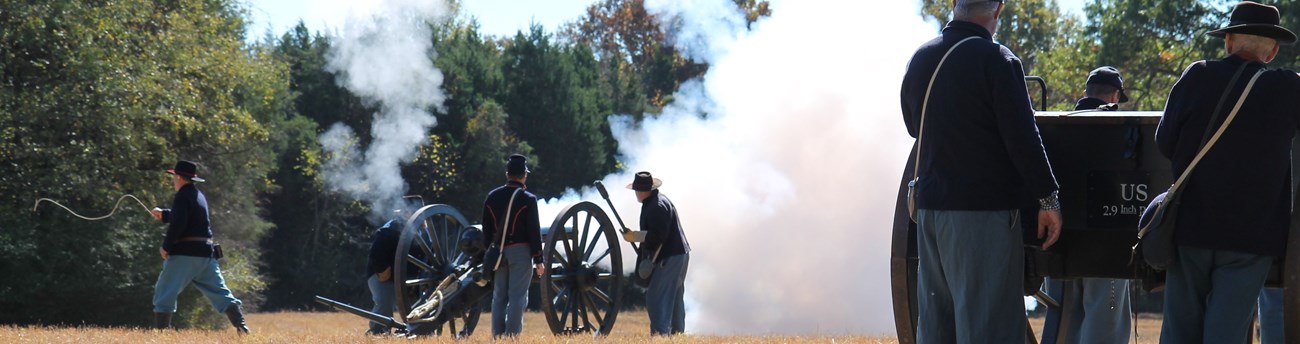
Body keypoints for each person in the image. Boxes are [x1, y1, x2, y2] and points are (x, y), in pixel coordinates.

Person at [899, 0, 1063, 342]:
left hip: (930, 210)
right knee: (988, 327)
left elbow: (914, 127)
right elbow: (1022, 137)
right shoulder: (998, 60)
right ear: (998, 10)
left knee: (937, 325)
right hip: (983, 214)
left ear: (955, 5)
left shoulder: (922, 58)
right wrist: (1048, 200)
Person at [1154, 2, 1300, 342]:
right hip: (1252, 235)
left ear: (1229, 41)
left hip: (1192, 224)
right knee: (1227, 333)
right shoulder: (1288, 88)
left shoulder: (1197, 74)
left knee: (1179, 330)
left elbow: (1165, 141)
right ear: (1274, 50)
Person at [1041, 66, 1132, 344]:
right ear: (1115, 95)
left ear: (1085, 94)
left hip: (1058, 240)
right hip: (1108, 243)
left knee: (1061, 320)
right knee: (1106, 319)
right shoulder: (1121, 128)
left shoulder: (1057, 127)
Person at [148, 160, 249, 334]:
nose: (173, 180)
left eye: (174, 177)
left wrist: (166, 246)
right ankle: (241, 327)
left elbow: (179, 223)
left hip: (184, 254)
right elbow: (186, 217)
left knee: (165, 291)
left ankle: (162, 334)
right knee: (220, 292)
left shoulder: (181, 196)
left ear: (179, 177)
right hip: (205, 255)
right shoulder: (198, 196)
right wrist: (164, 214)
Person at [480, 154, 543, 338]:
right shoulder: (528, 198)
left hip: (498, 253)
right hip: (521, 252)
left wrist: (488, 253)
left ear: (507, 174)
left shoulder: (492, 196)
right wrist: (539, 258)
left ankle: (497, 337)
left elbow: (486, 229)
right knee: (517, 297)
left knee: (499, 296)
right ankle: (512, 338)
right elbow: (534, 231)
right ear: (524, 175)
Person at [622, 171, 690, 335]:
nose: (636, 194)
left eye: (637, 190)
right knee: (673, 297)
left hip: (669, 257)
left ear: (645, 190)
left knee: (657, 297)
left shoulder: (656, 206)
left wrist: (635, 236)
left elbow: (658, 236)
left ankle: (660, 335)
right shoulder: (656, 202)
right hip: (678, 254)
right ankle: (677, 334)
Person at [365, 214, 403, 335]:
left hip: (406, 278)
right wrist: (383, 271)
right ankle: (378, 332)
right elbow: (376, 255)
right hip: (381, 274)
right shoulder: (388, 230)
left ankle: (421, 330)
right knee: (385, 301)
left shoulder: (424, 231)